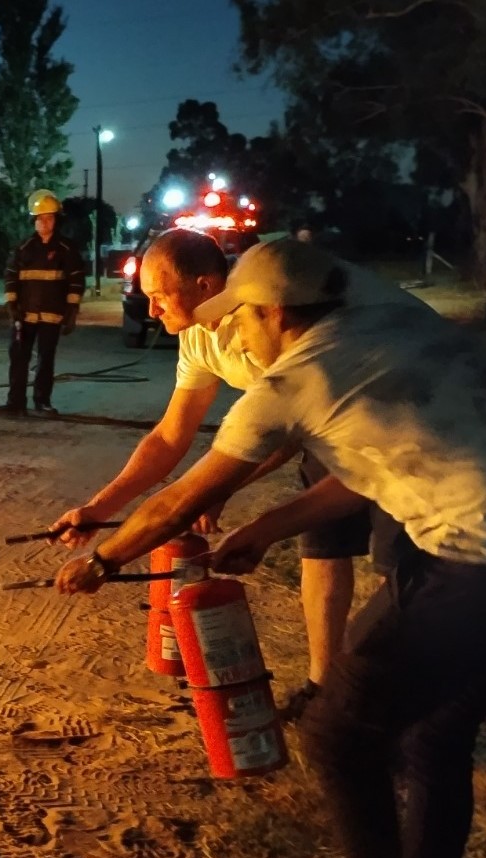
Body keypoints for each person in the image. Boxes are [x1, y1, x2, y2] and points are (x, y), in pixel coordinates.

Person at [56, 239, 486, 858]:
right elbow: (368, 473)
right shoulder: (387, 329)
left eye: (238, 317)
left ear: (274, 312)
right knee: (434, 733)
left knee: (339, 732)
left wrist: (100, 558)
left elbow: (183, 497)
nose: (231, 334)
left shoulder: (293, 381)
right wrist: (263, 529)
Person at [55, 229, 427, 716]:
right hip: (321, 426)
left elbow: (280, 433)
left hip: (394, 414)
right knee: (322, 546)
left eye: (159, 296)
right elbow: (170, 437)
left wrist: (106, 559)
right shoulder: (199, 333)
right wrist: (99, 508)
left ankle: (401, 699)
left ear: (211, 287)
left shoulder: (282, 329)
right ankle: (321, 687)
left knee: (401, 564)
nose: (151, 312)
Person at [0, 189, 86, 417]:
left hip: (52, 315)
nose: (44, 222)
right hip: (24, 316)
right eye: (40, 218)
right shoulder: (22, 248)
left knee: (46, 360)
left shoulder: (67, 249)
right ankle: (15, 403)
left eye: (49, 217)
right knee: (18, 358)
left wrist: (72, 312)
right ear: (34, 221)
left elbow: (76, 281)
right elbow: (10, 277)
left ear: (56, 220)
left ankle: (42, 402)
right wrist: (11, 307)